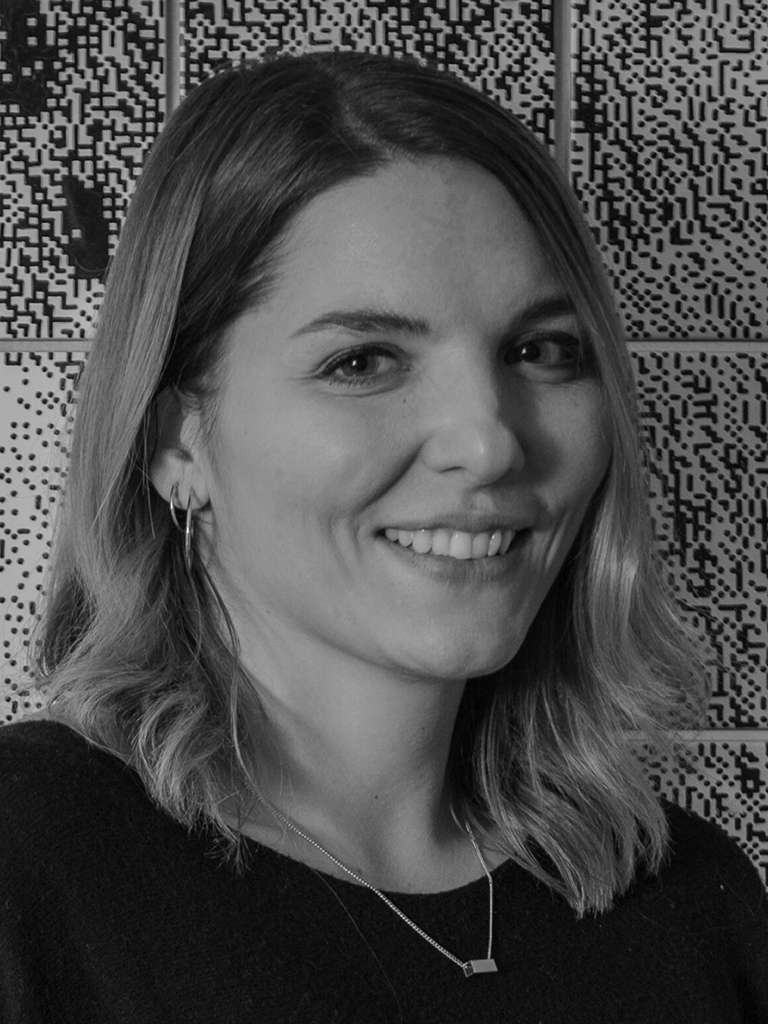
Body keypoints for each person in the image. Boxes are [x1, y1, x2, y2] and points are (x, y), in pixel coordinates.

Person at [1, 50, 766, 1024]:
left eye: (539, 350)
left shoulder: (691, 902)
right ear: (175, 440)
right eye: (364, 361)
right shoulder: (29, 862)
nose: (489, 441)